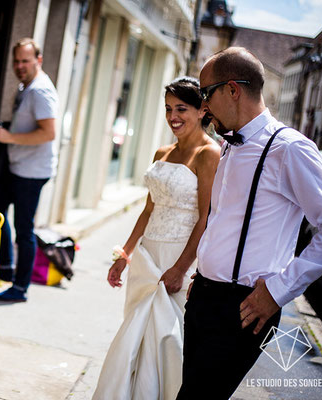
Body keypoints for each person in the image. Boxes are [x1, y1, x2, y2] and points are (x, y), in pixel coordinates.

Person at [177, 47, 322, 399]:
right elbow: (223, 219)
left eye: (206, 94)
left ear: (233, 90)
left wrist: (279, 291)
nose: (202, 107)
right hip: (204, 297)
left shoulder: (289, 148)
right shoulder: (231, 145)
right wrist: (205, 272)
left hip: (244, 309)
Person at [92, 77, 220, 400]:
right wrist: (125, 255)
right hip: (147, 260)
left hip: (178, 260)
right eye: (167, 109)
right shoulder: (162, 152)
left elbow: (205, 219)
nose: (172, 116)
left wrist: (180, 269)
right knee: (132, 339)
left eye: (181, 108)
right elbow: (148, 211)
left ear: (203, 109)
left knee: (167, 341)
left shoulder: (209, 155)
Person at [0, 38, 58, 302]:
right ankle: (5, 267)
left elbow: (48, 133)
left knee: (24, 228)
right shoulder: (26, 87)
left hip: (32, 171)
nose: (20, 66)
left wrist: (8, 138)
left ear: (39, 60)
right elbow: (25, 124)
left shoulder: (39, 91)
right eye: (16, 61)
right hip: (19, 166)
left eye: (25, 61)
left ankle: (20, 287)